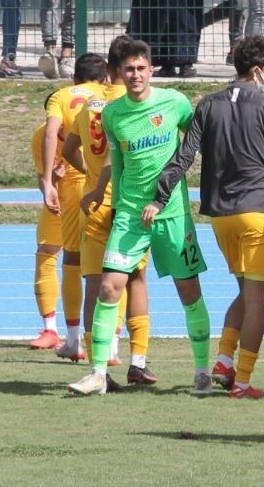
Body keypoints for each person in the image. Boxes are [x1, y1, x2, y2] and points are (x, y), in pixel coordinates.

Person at [145, 35, 264, 399]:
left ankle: (222, 360)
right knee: (257, 299)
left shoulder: (207, 104)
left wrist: (160, 195)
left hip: (220, 215)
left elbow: (184, 156)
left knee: (245, 292)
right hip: (256, 211)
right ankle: (243, 381)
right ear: (257, 70)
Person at [68, 39, 211, 396]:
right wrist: (102, 193)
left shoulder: (175, 102)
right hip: (130, 214)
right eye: (129, 69)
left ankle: (202, 371)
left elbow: (197, 141)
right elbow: (115, 163)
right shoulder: (112, 114)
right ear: (119, 73)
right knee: (108, 286)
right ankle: (98, 373)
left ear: (151, 69)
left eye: (141, 68)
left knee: (189, 291)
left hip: (172, 214)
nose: (135, 75)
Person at [62, 35, 151, 384]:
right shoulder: (132, 104)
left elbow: (68, 149)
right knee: (137, 279)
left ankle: (96, 367)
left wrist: (90, 174)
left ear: (106, 69)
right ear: (122, 69)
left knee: (94, 284)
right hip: (126, 204)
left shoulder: (90, 105)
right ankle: (138, 360)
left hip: (94, 205)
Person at [40, 53, 110, 361]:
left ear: (74, 78)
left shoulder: (61, 96)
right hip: (108, 184)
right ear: (106, 77)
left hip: (74, 184)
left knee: (72, 258)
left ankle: (72, 340)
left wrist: (47, 180)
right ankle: (113, 344)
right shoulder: (109, 94)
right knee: (115, 262)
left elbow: (51, 132)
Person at [28, 111, 64, 352]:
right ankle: (50, 330)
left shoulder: (91, 127)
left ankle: (106, 337)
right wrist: (52, 182)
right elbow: (43, 178)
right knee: (45, 254)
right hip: (59, 201)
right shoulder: (42, 136)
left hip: (92, 200)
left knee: (101, 264)